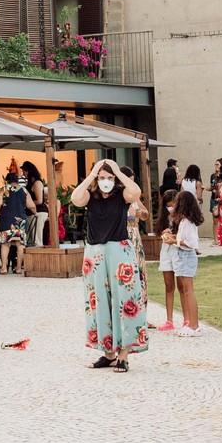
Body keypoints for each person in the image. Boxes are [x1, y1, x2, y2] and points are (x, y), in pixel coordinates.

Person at [70, 158, 147, 370]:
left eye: (109, 177)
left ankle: (124, 355)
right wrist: (93, 174)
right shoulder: (91, 197)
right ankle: (108, 353)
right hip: (95, 253)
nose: (106, 181)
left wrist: (118, 173)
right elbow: (75, 198)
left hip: (119, 251)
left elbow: (136, 192)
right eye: (103, 178)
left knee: (124, 300)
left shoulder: (122, 196)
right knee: (98, 301)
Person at [168, 189, 203, 337]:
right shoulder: (185, 221)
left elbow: (192, 243)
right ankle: (192, 324)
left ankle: (194, 326)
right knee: (185, 289)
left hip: (186, 256)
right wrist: (174, 237)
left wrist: (175, 241)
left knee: (188, 291)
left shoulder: (188, 222)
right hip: (182, 256)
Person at [0, 172, 35, 274]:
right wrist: (36, 213)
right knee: (20, 244)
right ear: (17, 180)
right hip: (20, 219)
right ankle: (18, 268)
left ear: (7, 180)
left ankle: (4, 268)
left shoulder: (5, 189)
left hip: (6, 219)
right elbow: (31, 205)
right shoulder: (24, 190)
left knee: (5, 244)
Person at [153, 189, 180, 333]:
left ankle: (187, 319)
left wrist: (174, 235)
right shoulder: (164, 217)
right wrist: (163, 233)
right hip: (166, 252)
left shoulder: (183, 217)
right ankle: (169, 319)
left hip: (178, 250)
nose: (170, 208)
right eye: (168, 206)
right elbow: (158, 231)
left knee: (182, 287)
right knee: (169, 286)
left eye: (173, 205)